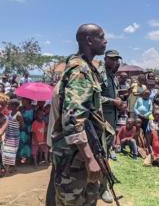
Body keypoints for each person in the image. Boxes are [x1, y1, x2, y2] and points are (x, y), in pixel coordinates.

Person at [51, 24, 108, 205]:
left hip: (82, 154)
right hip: (75, 158)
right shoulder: (80, 71)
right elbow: (73, 119)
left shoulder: (87, 68)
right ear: (90, 41)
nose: (105, 41)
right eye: (101, 36)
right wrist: (90, 158)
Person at [99, 49, 123, 161]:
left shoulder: (113, 76)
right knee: (100, 146)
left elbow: (114, 94)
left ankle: (105, 166)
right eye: (112, 59)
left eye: (116, 59)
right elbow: (94, 97)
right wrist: (113, 101)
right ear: (105, 59)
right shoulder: (99, 74)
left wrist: (118, 99)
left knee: (107, 145)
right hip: (102, 118)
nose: (114, 61)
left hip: (112, 117)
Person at [3, 98, 22, 173]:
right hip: (8, 135)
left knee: (11, 152)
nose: (8, 105)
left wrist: (15, 127)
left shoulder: (18, 114)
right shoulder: (10, 112)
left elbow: (22, 124)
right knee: (7, 151)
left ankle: (9, 169)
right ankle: (11, 167)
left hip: (14, 137)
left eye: (9, 104)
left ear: (14, 105)